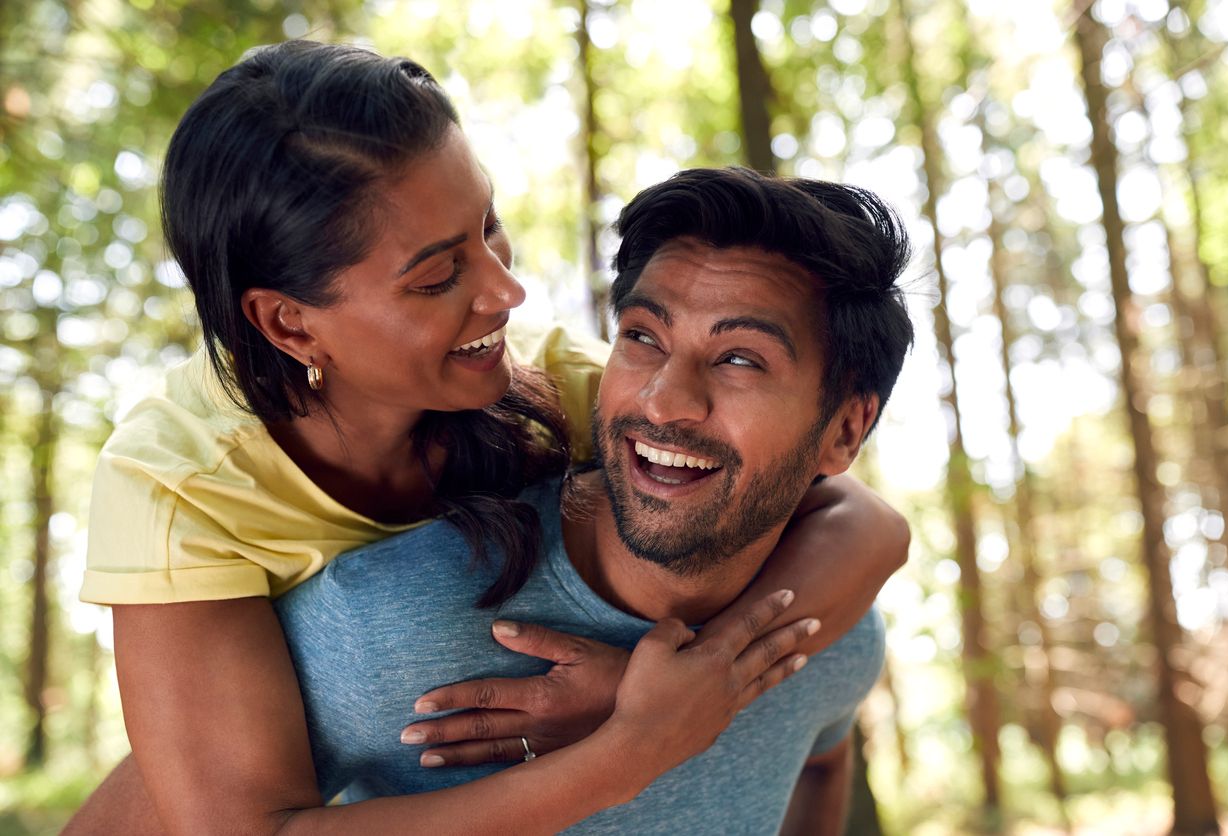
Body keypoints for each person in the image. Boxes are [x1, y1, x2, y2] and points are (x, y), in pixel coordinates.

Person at [69, 41, 908, 834]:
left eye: (489, 227)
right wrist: (635, 748)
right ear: (289, 322)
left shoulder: (545, 385)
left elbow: (864, 520)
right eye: (439, 276)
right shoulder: (180, 484)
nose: (507, 290)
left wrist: (696, 678)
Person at [275, 166, 914, 834]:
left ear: (843, 431)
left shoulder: (829, 635)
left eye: (740, 360)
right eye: (643, 337)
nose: (664, 400)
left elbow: (820, 758)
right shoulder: (377, 623)